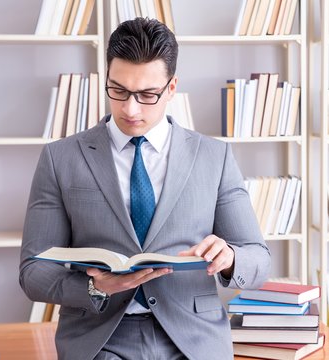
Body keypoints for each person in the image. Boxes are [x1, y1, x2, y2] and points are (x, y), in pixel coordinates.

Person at [19, 17, 271, 360]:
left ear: (171, 88)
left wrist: (229, 258)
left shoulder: (214, 156)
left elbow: (258, 258)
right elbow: (32, 272)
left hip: (194, 340)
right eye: (118, 90)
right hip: (99, 338)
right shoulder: (60, 158)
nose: (130, 109)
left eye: (147, 94)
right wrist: (94, 287)